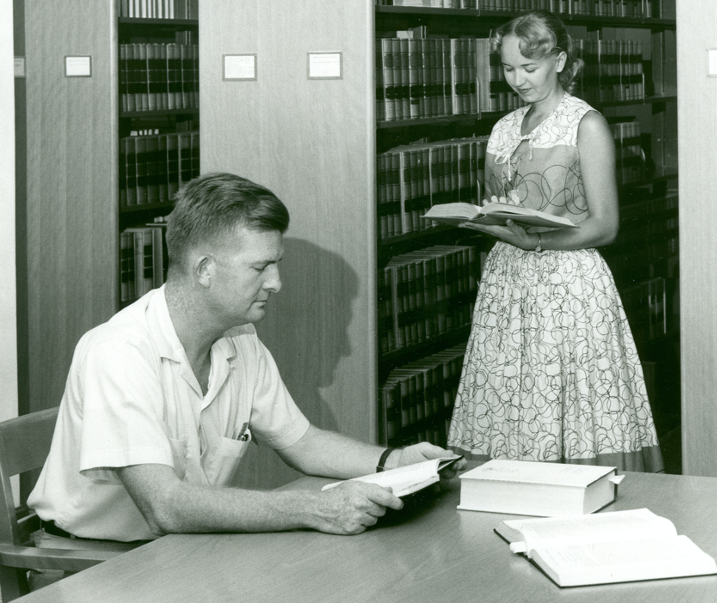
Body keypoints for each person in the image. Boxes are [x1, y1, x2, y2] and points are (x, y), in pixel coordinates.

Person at [28, 172, 465, 545]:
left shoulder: (241, 339)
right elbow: (165, 506)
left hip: (184, 547)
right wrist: (313, 507)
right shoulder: (118, 352)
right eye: (260, 268)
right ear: (204, 270)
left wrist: (395, 461)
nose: (276, 283)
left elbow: (304, 444)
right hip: (96, 561)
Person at [446, 10, 664, 472]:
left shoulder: (586, 125)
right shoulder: (504, 127)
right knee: (510, 396)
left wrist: (537, 244)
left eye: (530, 68)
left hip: (570, 286)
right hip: (507, 282)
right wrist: (487, 221)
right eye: (508, 69)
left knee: (570, 401)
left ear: (560, 60)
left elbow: (605, 226)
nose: (518, 80)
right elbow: (504, 201)